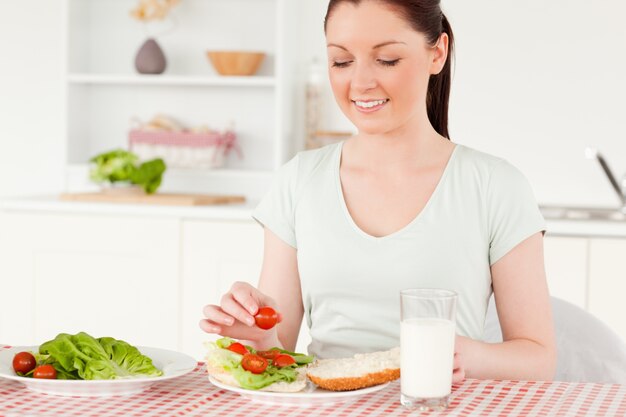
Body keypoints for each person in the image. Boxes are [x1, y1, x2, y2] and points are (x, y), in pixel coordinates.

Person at [200, 0, 556, 382]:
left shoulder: (494, 186)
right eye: (341, 61)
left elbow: (538, 359)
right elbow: (276, 354)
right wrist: (258, 332)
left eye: (386, 59)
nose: (360, 82)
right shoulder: (299, 180)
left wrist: (465, 355)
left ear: (437, 53)